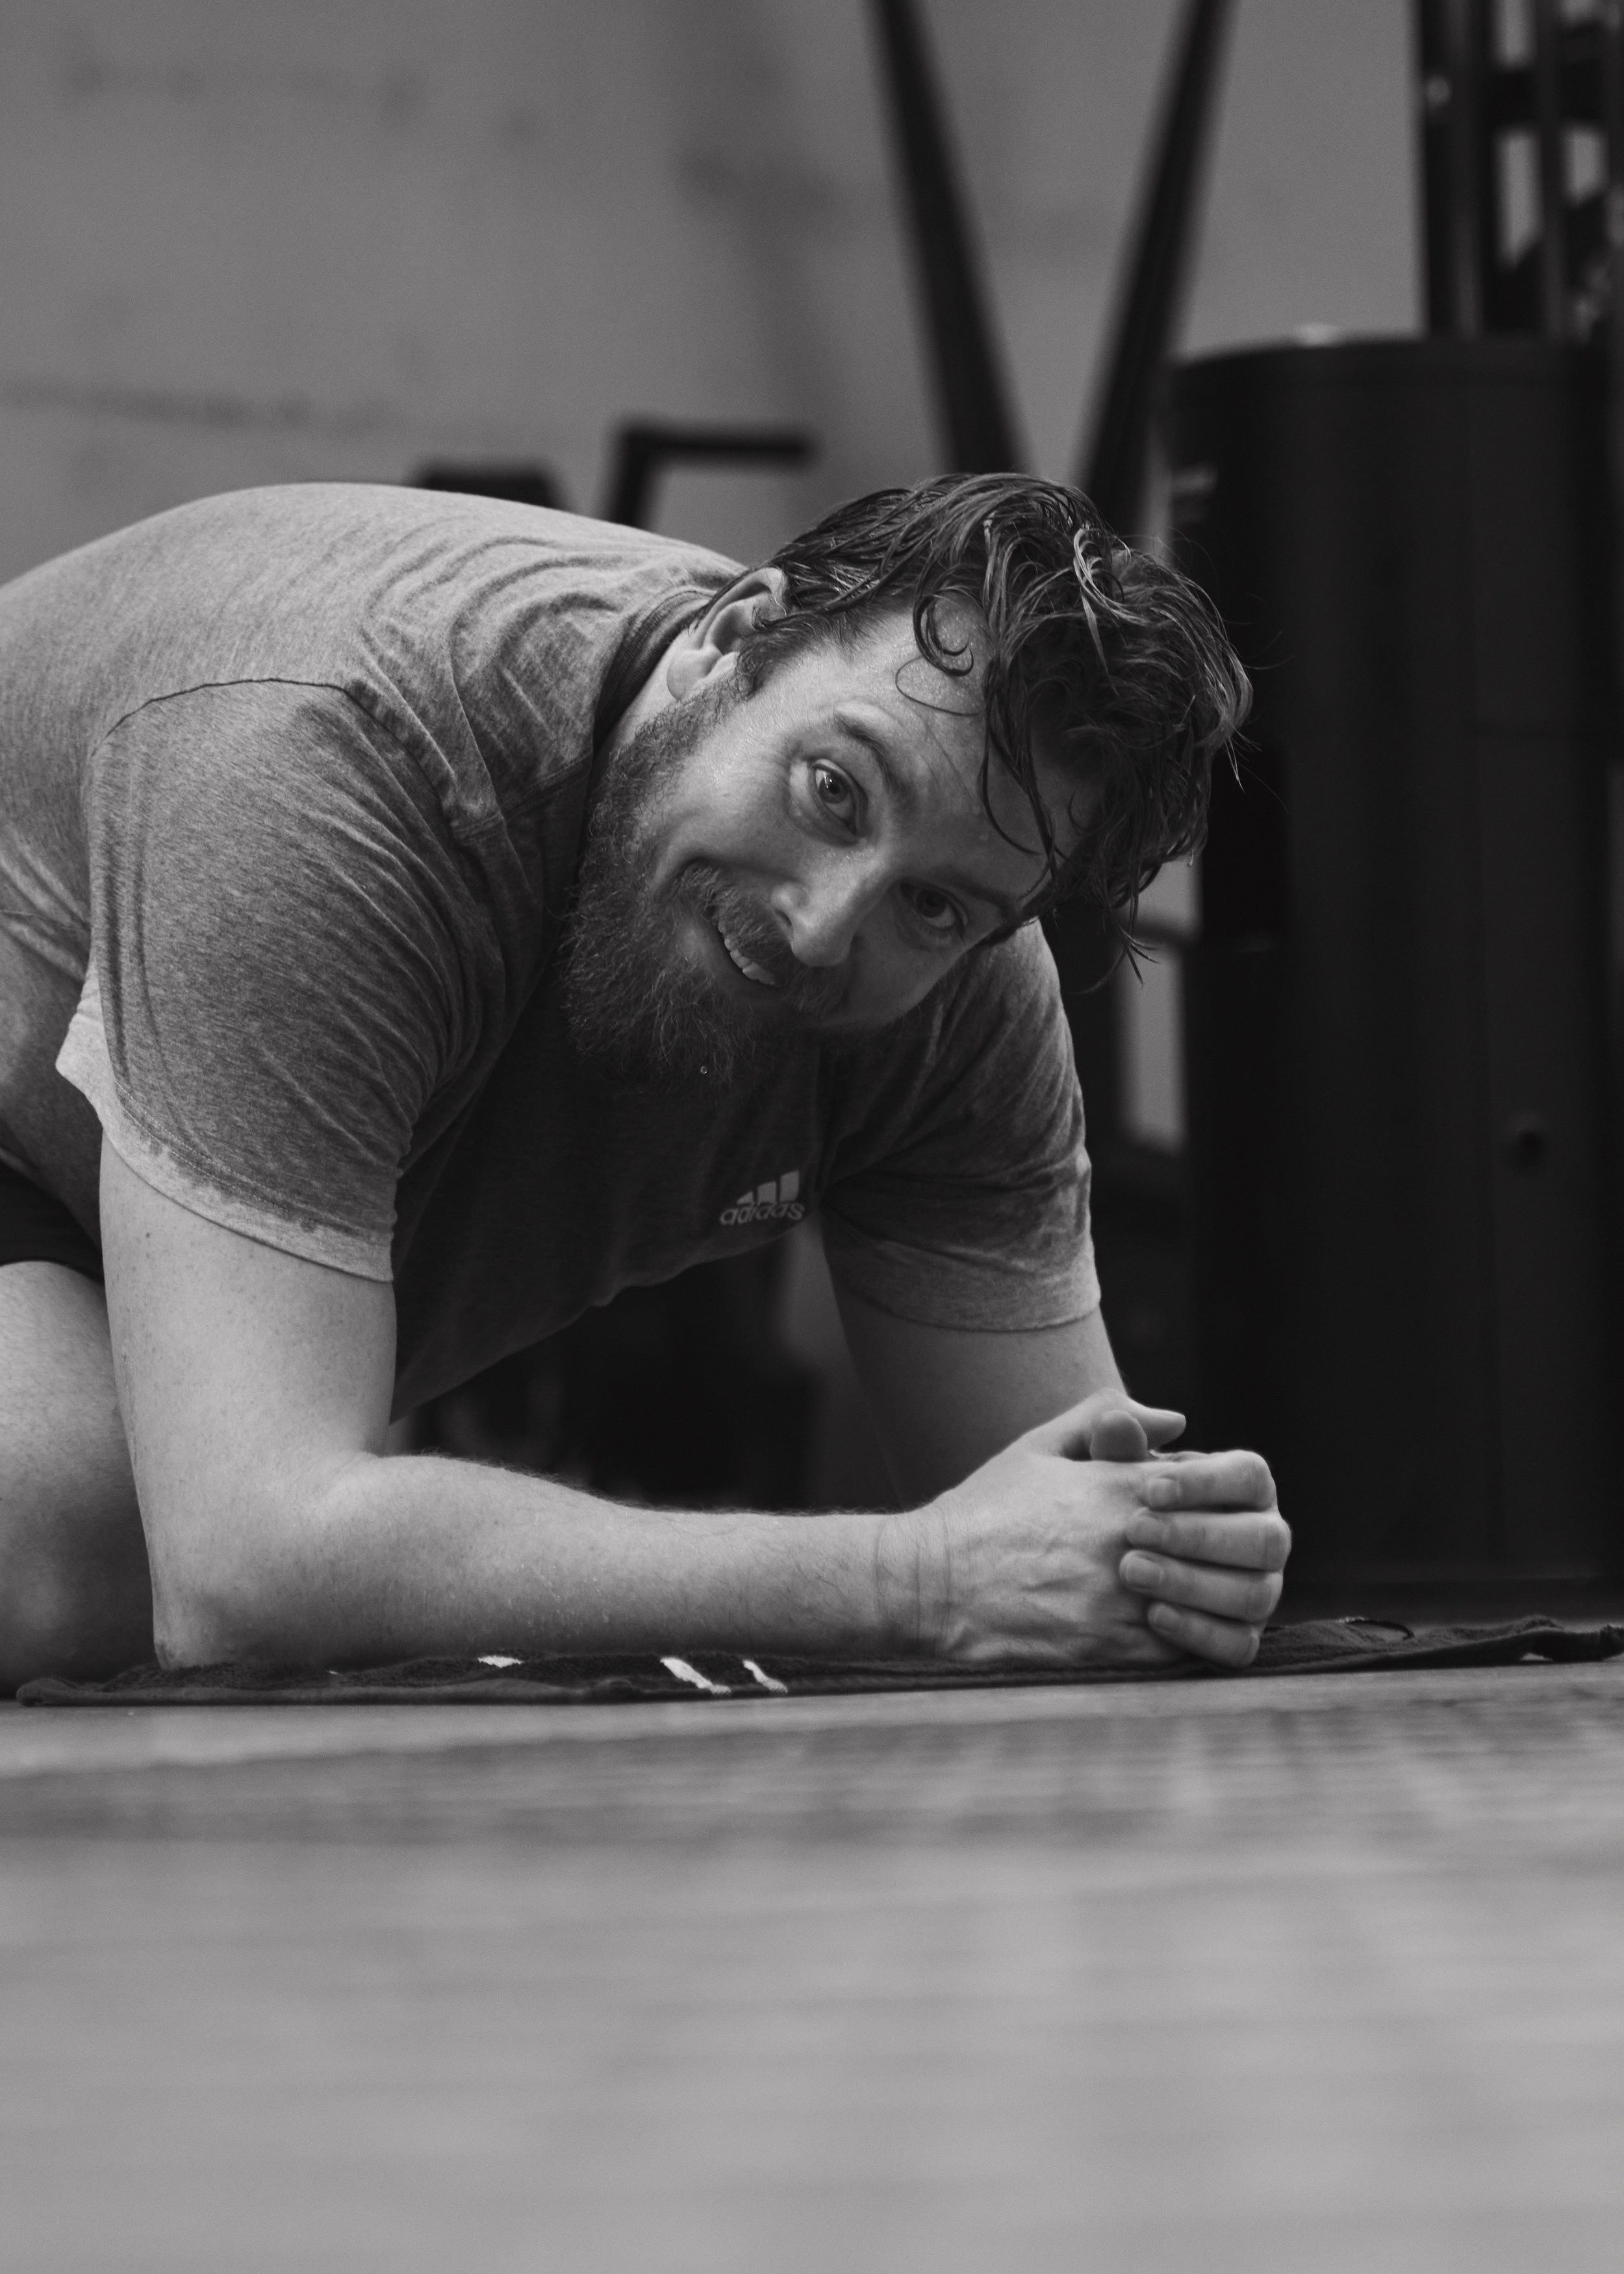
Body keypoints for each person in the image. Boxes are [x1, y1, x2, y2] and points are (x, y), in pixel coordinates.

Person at [0, 472, 1289, 1689]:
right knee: (74, 1543)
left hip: (165, 1224)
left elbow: (1069, 1527)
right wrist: (913, 1578)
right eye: (832, 792)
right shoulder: (328, 771)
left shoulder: (961, 997)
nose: (822, 925)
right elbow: (247, 1571)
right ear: (731, 642)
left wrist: (1173, 1560)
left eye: (936, 907)